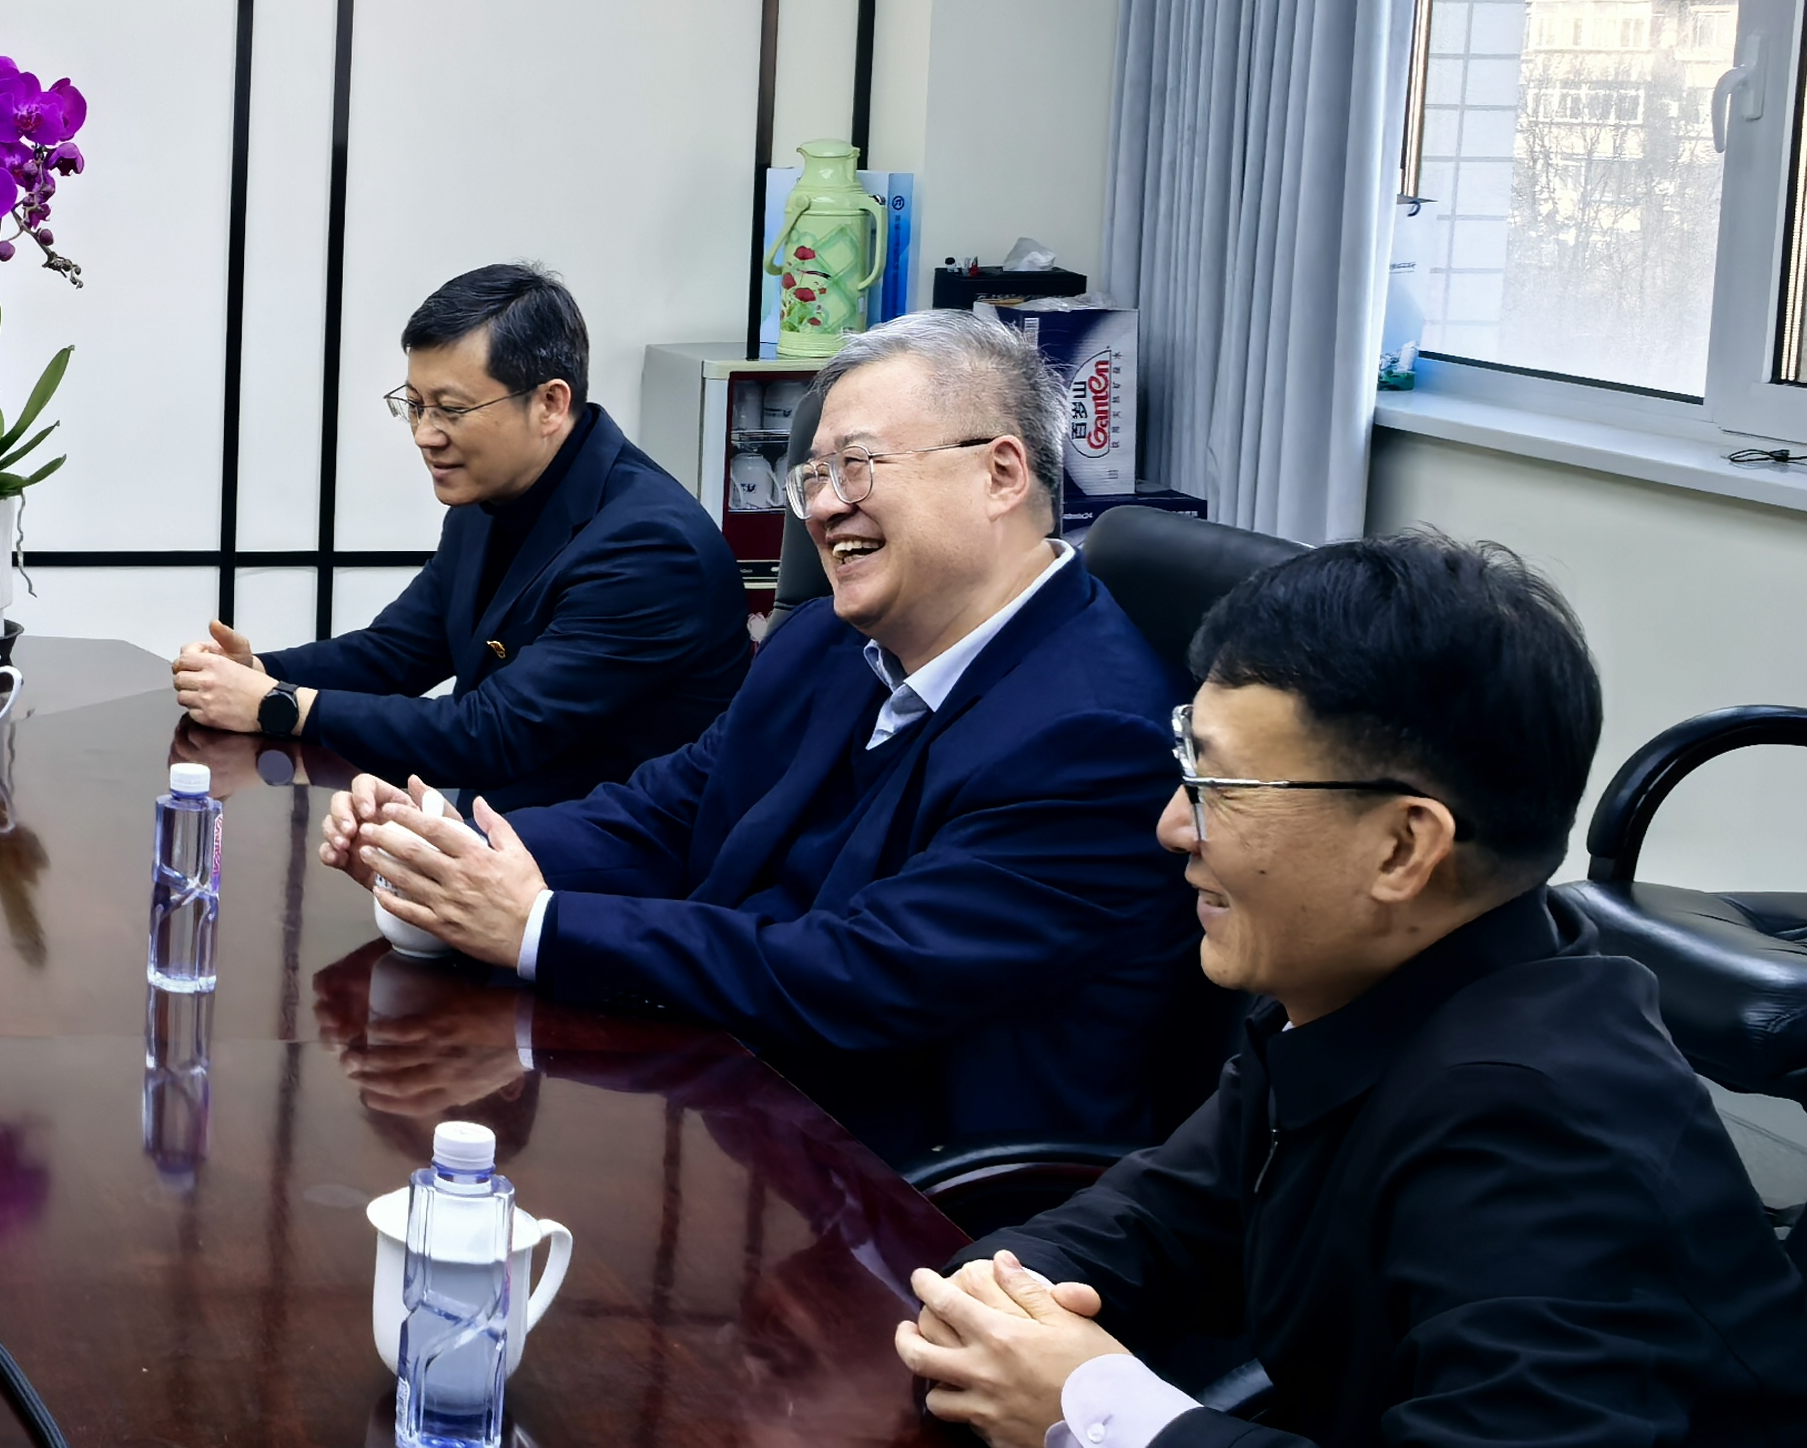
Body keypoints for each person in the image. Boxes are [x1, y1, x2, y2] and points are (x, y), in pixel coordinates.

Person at [899, 535, 1807, 1448]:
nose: (1173, 824)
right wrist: (991, 1310)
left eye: (1218, 787)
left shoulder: (1540, 1120)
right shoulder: (1361, 996)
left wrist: (1093, 1407)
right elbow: (1149, 1222)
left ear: (1404, 846)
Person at [323, 308, 1204, 1166]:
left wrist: (535, 925)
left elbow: (860, 973)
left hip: (913, 1190)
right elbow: (669, 811)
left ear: (1001, 474)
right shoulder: (827, 640)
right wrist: (452, 855)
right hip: (745, 1100)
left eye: (854, 468)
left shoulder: (1094, 736)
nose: (822, 509)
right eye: (812, 477)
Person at [170, 262, 743, 805]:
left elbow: (495, 733)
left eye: (451, 409)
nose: (425, 434)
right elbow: (396, 653)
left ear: (549, 403)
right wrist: (260, 673)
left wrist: (278, 706)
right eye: (416, 406)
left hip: (611, 857)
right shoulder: (489, 494)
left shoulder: (650, 546)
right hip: (496, 835)